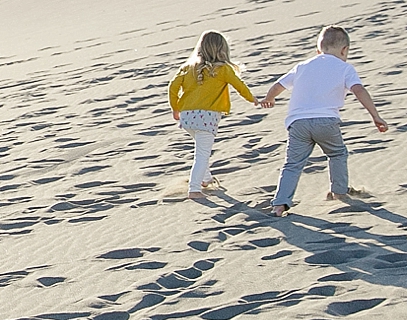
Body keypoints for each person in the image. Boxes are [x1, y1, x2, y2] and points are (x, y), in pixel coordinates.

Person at [257, 25, 388, 213]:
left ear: (318, 51)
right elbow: (358, 90)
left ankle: (280, 203)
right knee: (337, 154)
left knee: (292, 164)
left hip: (298, 123)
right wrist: (375, 116)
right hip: (326, 121)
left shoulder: (302, 66)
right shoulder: (345, 68)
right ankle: (339, 192)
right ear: (345, 50)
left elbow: (278, 85)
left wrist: (269, 98)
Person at [166, 29, 256, 198]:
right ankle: (194, 189)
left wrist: (175, 107)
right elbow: (240, 86)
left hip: (187, 117)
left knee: (201, 148)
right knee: (202, 154)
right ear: (222, 50)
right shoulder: (222, 69)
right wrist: (253, 100)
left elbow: (172, 86)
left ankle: (205, 179)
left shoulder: (187, 68)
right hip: (206, 118)